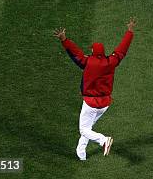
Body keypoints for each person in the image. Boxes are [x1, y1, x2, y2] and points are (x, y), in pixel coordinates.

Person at [53, 17, 136, 161]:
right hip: (105, 104)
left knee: (84, 129)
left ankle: (103, 140)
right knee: (88, 127)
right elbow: (122, 49)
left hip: (91, 103)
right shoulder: (111, 61)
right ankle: (81, 152)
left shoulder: (88, 62)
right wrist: (129, 31)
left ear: (92, 52)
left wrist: (64, 40)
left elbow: (76, 53)